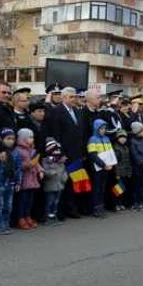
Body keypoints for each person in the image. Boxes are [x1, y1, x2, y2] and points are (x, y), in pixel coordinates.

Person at [47, 87, 85, 219]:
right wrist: (60, 153)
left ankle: (72, 208)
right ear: (63, 98)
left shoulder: (77, 111)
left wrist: (82, 152)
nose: (74, 99)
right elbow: (56, 134)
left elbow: (81, 132)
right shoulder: (56, 111)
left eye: (74, 96)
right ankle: (60, 211)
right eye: (71, 97)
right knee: (62, 182)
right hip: (64, 154)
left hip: (77, 153)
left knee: (74, 181)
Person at [0, 128, 22, 235]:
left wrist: (18, 182)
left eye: (13, 139)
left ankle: (6, 225)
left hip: (10, 183)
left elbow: (18, 168)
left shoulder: (15, 152)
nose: (11, 141)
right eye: (8, 138)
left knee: (8, 206)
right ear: (1, 139)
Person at [86, 119, 116, 218]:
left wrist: (111, 163)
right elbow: (93, 155)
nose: (103, 130)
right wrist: (103, 165)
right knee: (96, 189)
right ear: (96, 128)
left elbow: (111, 153)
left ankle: (101, 207)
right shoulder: (92, 139)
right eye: (101, 128)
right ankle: (96, 209)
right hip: (97, 168)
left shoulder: (107, 139)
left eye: (104, 128)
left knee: (102, 188)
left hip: (106, 167)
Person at [16, 128, 44, 229]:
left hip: (32, 179)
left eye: (32, 137)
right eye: (29, 137)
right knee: (22, 200)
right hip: (24, 178)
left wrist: (40, 170)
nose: (32, 139)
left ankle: (28, 216)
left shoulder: (33, 150)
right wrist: (27, 165)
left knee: (30, 199)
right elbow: (18, 164)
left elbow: (37, 163)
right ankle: (20, 217)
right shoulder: (19, 150)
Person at [42, 138, 67, 225]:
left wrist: (64, 178)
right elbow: (45, 171)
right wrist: (51, 173)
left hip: (59, 185)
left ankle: (53, 216)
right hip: (50, 185)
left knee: (56, 202)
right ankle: (47, 218)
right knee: (49, 202)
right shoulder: (46, 161)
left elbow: (64, 171)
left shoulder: (60, 161)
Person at [129, 122, 143, 211]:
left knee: (142, 185)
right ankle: (134, 203)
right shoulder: (132, 142)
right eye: (142, 130)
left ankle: (140, 202)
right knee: (136, 185)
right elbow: (135, 156)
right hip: (137, 167)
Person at [112, 129, 132, 211]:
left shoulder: (126, 147)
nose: (123, 139)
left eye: (124, 137)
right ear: (117, 138)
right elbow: (115, 162)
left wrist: (129, 171)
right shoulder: (116, 148)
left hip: (126, 171)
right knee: (117, 189)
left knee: (123, 189)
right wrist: (117, 173)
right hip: (119, 172)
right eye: (121, 137)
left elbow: (128, 160)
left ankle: (121, 203)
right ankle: (116, 204)